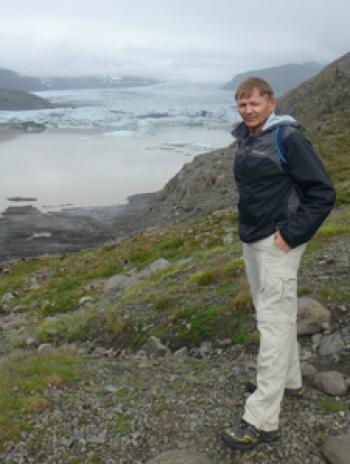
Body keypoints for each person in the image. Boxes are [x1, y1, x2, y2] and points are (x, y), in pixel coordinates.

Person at [221, 77, 336, 451]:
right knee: (278, 315)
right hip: (255, 240)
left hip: (277, 243)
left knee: (270, 324)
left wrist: (291, 234)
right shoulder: (248, 137)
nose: (248, 110)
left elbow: (322, 193)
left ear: (271, 102)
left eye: (254, 103)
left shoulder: (288, 138)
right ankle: (288, 381)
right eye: (242, 105)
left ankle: (261, 419)